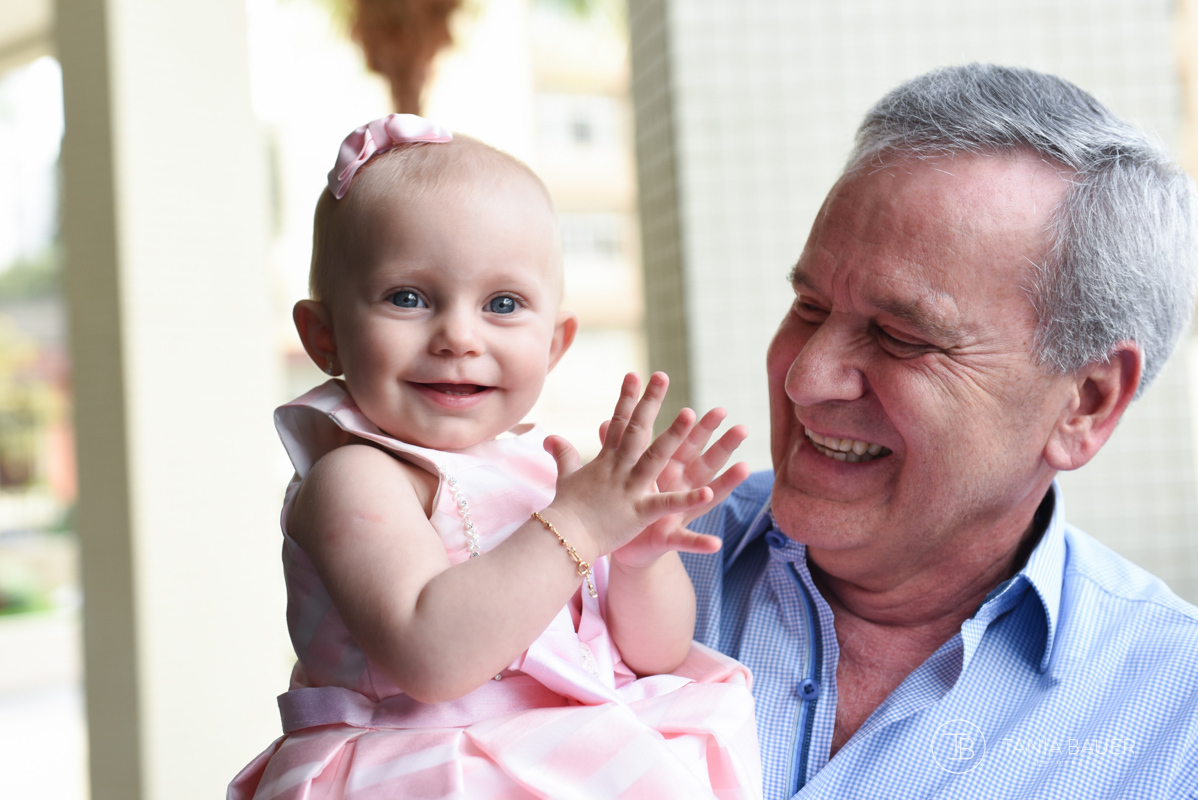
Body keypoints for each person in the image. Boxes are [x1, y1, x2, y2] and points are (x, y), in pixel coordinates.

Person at [681, 64, 1198, 798]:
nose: (807, 378)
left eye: (900, 337)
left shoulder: (1177, 721)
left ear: (1085, 403)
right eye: (809, 307)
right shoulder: (596, 563)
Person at [228, 114, 762, 799]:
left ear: (555, 344)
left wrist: (635, 561)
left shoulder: (545, 475)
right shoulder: (356, 476)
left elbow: (653, 656)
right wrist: (581, 526)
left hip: (560, 757)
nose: (458, 336)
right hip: (420, 769)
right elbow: (431, 655)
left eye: (502, 304)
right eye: (408, 298)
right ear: (324, 335)